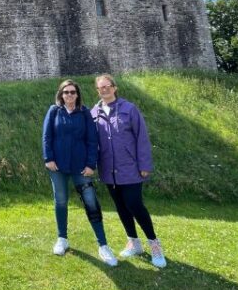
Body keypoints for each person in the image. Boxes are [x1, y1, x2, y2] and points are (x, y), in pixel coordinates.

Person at [90, 74, 166, 268]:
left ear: (114, 88)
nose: (105, 90)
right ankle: (134, 242)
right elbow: (91, 141)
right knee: (121, 207)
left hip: (130, 168)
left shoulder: (129, 109)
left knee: (135, 205)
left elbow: (142, 138)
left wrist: (144, 165)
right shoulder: (94, 113)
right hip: (108, 170)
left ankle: (154, 244)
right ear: (97, 90)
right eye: (101, 87)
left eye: (108, 86)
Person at [42, 79, 118, 266]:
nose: (69, 95)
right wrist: (48, 158)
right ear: (61, 95)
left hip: (80, 167)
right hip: (57, 167)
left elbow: (92, 140)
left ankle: (103, 245)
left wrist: (91, 164)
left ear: (77, 95)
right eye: (66, 92)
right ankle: (62, 239)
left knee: (91, 202)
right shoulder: (54, 111)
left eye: (72, 92)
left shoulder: (84, 113)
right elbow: (47, 136)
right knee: (60, 201)